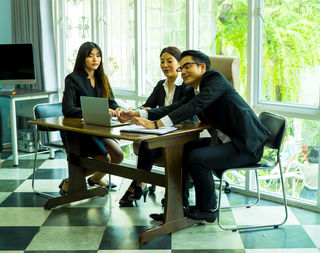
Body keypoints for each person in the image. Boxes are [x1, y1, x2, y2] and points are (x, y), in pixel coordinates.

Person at [118, 50, 270, 222]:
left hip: (247, 146)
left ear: (202, 67)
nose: (182, 71)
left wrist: (157, 124)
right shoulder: (192, 90)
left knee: (197, 158)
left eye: (187, 66)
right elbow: (172, 109)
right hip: (224, 142)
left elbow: (197, 106)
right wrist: (136, 115)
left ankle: (208, 209)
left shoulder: (215, 79)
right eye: (181, 68)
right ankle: (177, 206)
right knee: (182, 150)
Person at [119, 46, 194, 207]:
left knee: (150, 142)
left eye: (169, 61)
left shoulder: (186, 86)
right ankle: (140, 182)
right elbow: (149, 106)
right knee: (148, 141)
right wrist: (135, 111)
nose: (165, 65)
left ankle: (139, 183)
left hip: (182, 133)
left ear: (179, 64)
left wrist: (147, 114)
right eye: (162, 62)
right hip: (162, 130)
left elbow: (178, 112)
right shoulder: (161, 85)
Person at [59, 41, 124, 195]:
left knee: (118, 156)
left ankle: (94, 180)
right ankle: (70, 181)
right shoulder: (72, 79)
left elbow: (111, 101)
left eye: (98, 56)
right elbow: (68, 109)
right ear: (83, 58)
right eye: (90, 56)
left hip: (98, 128)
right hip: (79, 130)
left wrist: (117, 109)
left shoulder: (102, 77)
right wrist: (99, 111)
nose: (95, 59)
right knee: (104, 159)